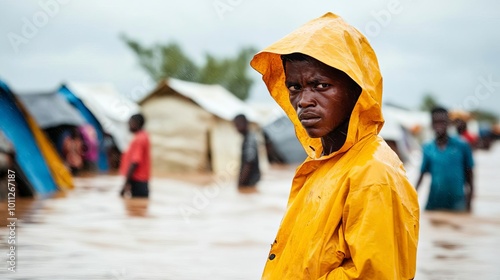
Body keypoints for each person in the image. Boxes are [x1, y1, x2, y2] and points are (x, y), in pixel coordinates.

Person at [250, 12, 419, 279]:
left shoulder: (372, 175)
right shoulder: (322, 164)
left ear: (356, 91)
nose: (303, 100)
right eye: (294, 87)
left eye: (320, 85)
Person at [416, 107, 475, 212]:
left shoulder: (462, 145)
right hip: (433, 203)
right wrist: (412, 199)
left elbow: (470, 175)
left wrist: (469, 203)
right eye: (436, 122)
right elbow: (421, 175)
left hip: (457, 204)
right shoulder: (428, 148)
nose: (439, 126)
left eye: (442, 122)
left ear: (449, 123)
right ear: (431, 125)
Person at [119, 113, 151, 198]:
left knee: (136, 209)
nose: (128, 126)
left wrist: (125, 183)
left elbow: (135, 162)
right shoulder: (143, 136)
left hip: (138, 181)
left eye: (130, 123)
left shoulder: (139, 139)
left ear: (136, 123)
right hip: (140, 181)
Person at [233, 114, 261, 192]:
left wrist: (240, 184)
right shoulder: (247, 138)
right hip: (250, 180)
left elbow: (249, 162)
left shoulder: (250, 139)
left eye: (238, 125)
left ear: (245, 123)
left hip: (250, 180)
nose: (236, 128)